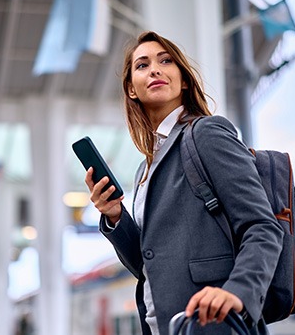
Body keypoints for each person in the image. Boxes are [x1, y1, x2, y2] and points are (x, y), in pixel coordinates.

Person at [84, 31, 284, 335]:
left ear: (185, 80)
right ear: (132, 90)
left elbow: (262, 225)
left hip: (215, 325)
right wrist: (115, 216)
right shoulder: (144, 171)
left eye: (166, 61)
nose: (155, 69)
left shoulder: (207, 134)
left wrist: (237, 293)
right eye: (142, 65)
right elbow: (148, 265)